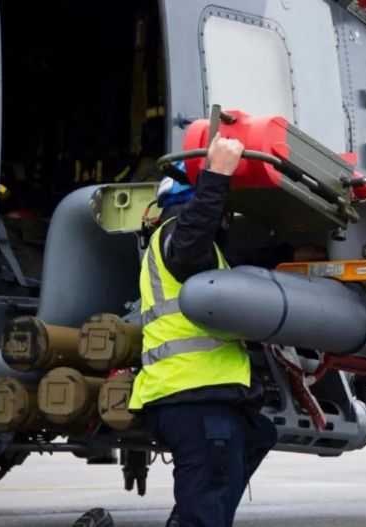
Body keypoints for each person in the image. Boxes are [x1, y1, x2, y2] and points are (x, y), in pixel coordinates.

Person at [127, 136, 280, 527]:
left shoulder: (199, 256)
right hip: (194, 397)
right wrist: (216, 176)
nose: (226, 220)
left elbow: (241, 263)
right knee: (207, 504)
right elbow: (194, 233)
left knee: (259, 435)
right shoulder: (180, 238)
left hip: (196, 398)